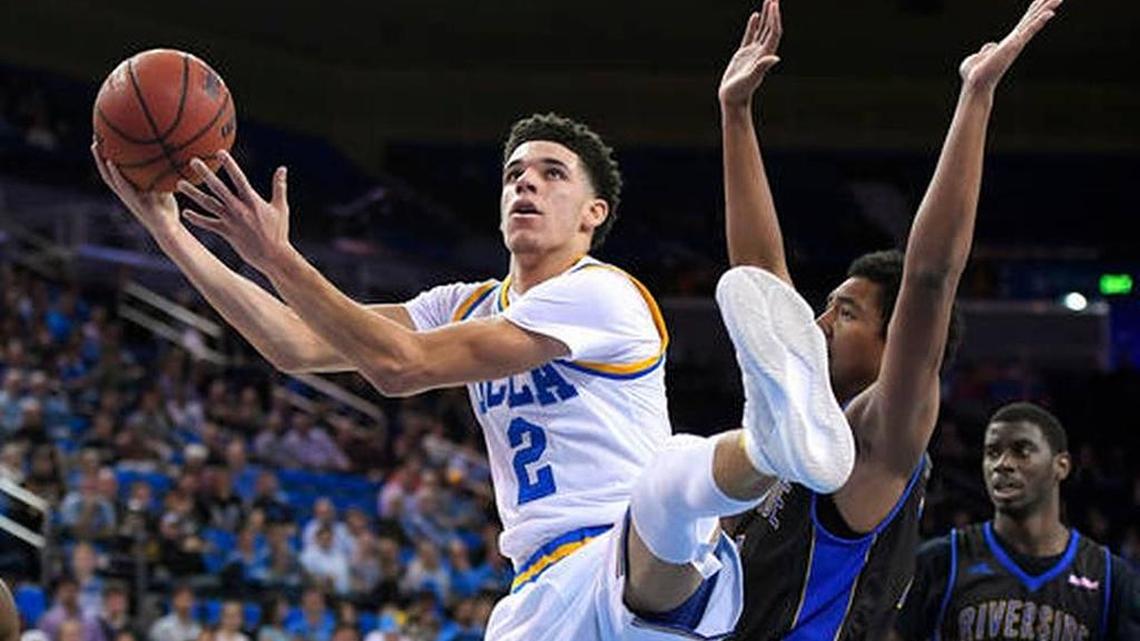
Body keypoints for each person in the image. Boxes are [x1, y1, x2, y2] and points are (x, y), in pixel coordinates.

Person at [94, 105, 856, 637]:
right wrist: (169, 233)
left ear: (594, 214)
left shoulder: (603, 292)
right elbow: (294, 344)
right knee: (663, 498)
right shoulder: (464, 303)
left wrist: (278, 256)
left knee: (665, 486)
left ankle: (774, 442)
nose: (526, 183)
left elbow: (399, 368)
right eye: (515, 173)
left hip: (625, 553)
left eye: (553, 174)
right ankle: (767, 444)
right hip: (535, 592)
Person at [716, 0, 1061, 638]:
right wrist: (735, 114)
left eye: (844, 313)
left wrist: (976, 95)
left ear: (887, 345)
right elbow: (761, 279)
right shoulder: (798, 408)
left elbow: (929, 280)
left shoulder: (877, 437)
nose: (818, 323)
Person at [891, 403, 1140, 640]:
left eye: (1021, 451)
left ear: (1061, 466)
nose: (1003, 464)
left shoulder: (1109, 578)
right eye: (992, 453)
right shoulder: (941, 561)